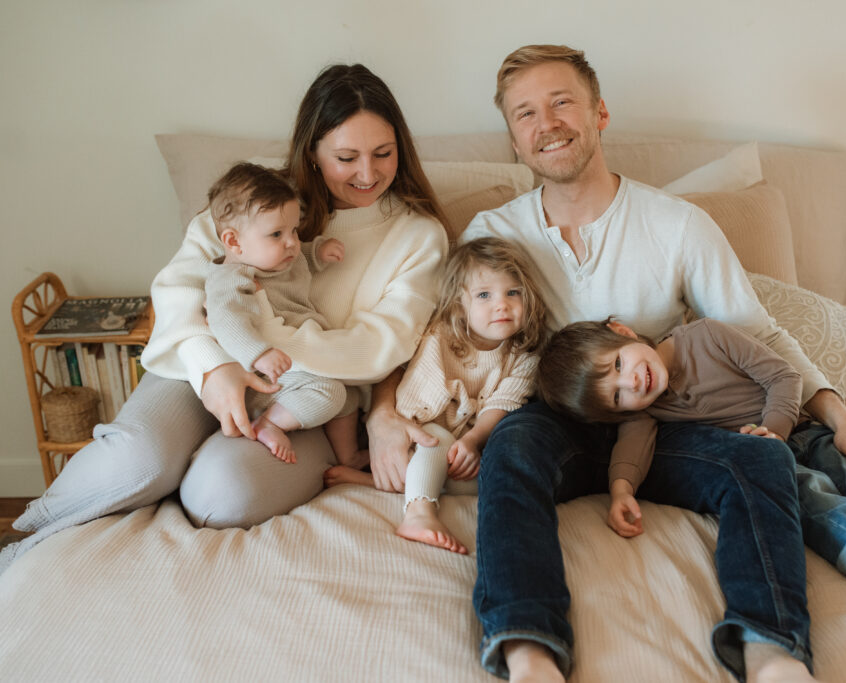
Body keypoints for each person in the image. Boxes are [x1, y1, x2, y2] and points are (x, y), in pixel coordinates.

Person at [446, 44, 846, 683]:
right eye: (525, 114)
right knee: (512, 446)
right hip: (556, 420)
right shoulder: (493, 234)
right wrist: (384, 417)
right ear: (514, 140)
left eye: (561, 102)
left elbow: (756, 332)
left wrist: (836, 408)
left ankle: (771, 650)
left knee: (763, 456)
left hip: (665, 419)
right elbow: (439, 342)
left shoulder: (679, 224)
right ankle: (529, 650)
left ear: (599, 113)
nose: (545, 123)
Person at [1, 63, 452, 571]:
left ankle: (181, 473)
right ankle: (24, 546)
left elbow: (379, 347)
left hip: (309, 396)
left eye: (383, 154)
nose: (367, 174)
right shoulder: (256, 199)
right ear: (312, 152)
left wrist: (268, 344)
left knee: (221, 492)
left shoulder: (419, 236)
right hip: (209, 362)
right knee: (136, 461)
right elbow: (180, 287)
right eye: (346, 157)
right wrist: (213, 366)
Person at [537, 317, 846, 633]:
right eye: (617, 396)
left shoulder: (704, 337)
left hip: (802, 432)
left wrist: (773, 429)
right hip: (770, 462)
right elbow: (633, 447)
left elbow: (785, 377)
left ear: (622, 331)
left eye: (619, 365)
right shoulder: (648, 412)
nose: (632, 383)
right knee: (814, 503)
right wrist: (622, 489)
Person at [324, 237, 548, 555]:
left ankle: (379, 483)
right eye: (484, 295)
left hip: (462, 444)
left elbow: (504, 403)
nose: (502, 304)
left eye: (513, 293)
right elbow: (414, 391)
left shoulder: (524, 354)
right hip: (420, 427)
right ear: (459, 305)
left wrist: (473, 442)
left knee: (477, 481)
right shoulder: (441, 334)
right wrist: (415, 430)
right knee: (436, 441)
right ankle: (419, 514)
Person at [204, 161, 349, 464]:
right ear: (233, 241)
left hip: (297, 362)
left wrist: (318, 252)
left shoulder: (279, 258)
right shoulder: (233, 278)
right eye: (276, 234)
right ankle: (268, 423)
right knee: (332, 392)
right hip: (264, 378)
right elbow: (227, 321)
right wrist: (259, 353)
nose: (292, 243)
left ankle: (347, 457)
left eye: (294, 230)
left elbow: (301, 256)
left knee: (353, 396)